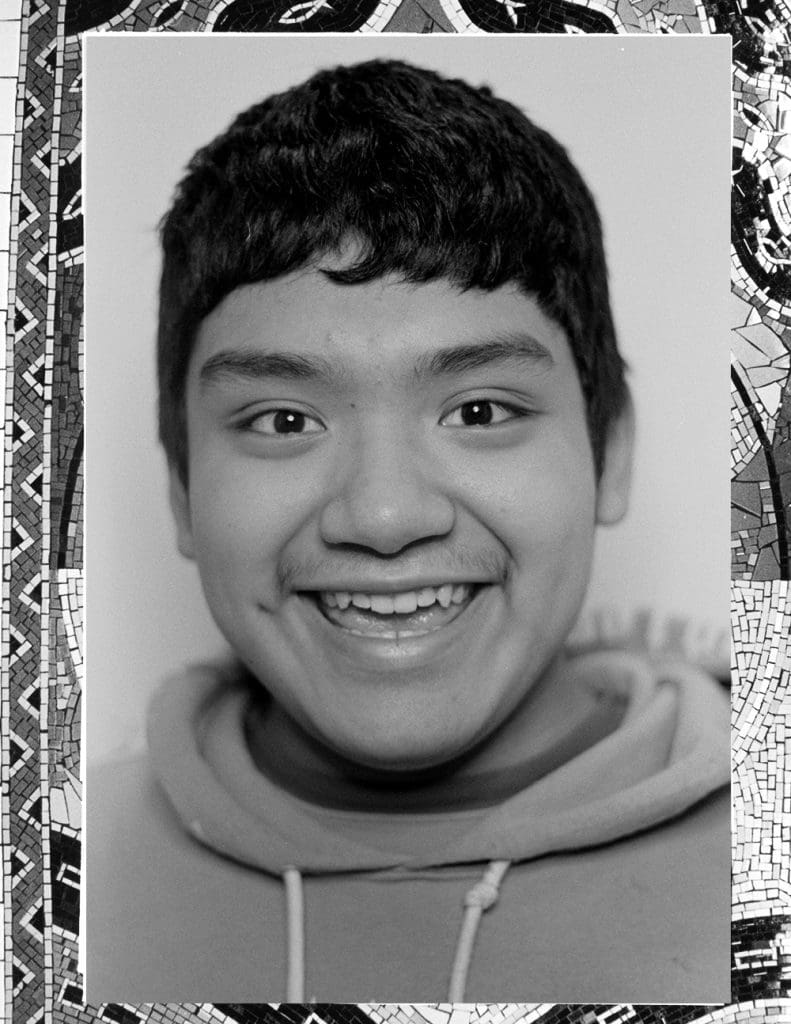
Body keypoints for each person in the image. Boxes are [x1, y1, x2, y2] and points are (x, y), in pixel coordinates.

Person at [87, 58, 729, 1004]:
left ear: (611, 451)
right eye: (283, 420)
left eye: (479, 411)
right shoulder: (52, 871)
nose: (384, 517)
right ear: (182, 486)